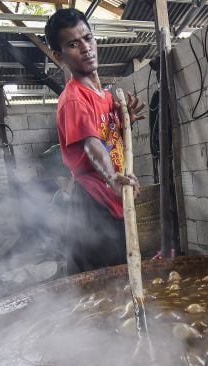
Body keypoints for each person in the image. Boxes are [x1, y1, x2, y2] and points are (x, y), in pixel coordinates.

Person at [45, 9, 145, 274]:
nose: (86, 48)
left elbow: (105, 137)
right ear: (59, 56)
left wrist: (124, 125)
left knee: (122, 276)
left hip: (113, 202)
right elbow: (92, 146)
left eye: (88, 38)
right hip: (92, 205)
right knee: (100, 286)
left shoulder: (106, 95)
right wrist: (113, 178)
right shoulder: (75, 99)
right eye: (73, 44)